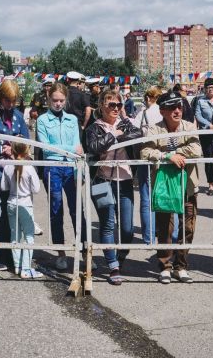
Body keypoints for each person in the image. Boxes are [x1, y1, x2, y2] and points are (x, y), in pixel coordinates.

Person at [140, 91, 203, 284]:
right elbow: (145, 151)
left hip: (187, 185)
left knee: (188, 227)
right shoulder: (154, 129)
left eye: (179, 107)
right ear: (162, 111)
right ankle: (165, 266)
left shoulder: (190, 126)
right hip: (164, 185)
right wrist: (167, 157)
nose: (177, 111)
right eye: (172, 107)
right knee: (165, 228)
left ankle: (181, 266)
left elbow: (196, 150)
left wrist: (173, 152)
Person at [85, 89, 142, 285]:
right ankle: (112, 265)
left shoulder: (126, 123)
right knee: (107, 224)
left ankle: (120, 256)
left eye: (119, 105)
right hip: (102, 181)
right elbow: (93, 146)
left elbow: (138, 134)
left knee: (127, 228)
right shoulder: (94, 128)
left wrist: (116, 136)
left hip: (125, 179)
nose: (116, 108)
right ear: (101, 106)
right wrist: (116, 135)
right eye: (112, 105)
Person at [0, 79, 30, 270]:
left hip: (17, 169)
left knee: (14, 209)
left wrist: (19, 145)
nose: (11, 104)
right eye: (7, 100)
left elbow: (27, 141)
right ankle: (1, 252)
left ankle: (10, 251)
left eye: (13, 100)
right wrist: (3, 146)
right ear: (0, 97)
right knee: (4, 207)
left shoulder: (18, 115)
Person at [36, 82, 85, 270]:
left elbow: (78, 146)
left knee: (77, 210)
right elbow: (47, 148)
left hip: (71, 167)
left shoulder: (72, 119)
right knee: (56, 210)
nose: (58, 104)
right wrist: (71, 149)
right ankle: (61, 252)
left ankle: (83, 251)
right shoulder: (42, 120)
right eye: (55, 100)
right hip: (53, 167)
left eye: (61, 100)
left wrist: (73, 152)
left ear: (66, 100)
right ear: (49, 99)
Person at [0, 142, 43, 278]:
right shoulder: (29, 167)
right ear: (26, 151)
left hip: (11, 201)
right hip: (25, 202)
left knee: (15, 235)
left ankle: (17, 266)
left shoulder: (8, 166)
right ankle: (26, 269)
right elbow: (36, 189)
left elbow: (3, 187)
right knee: (29, 235)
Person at [132, 86, 163, 245]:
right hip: (163, 155)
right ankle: (164, 233)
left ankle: (148, 237)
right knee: (163, 195)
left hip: (145, 154)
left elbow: (134, 128)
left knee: (146, 197)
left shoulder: (143, 113)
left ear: (148, 98)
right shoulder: (163, 112)